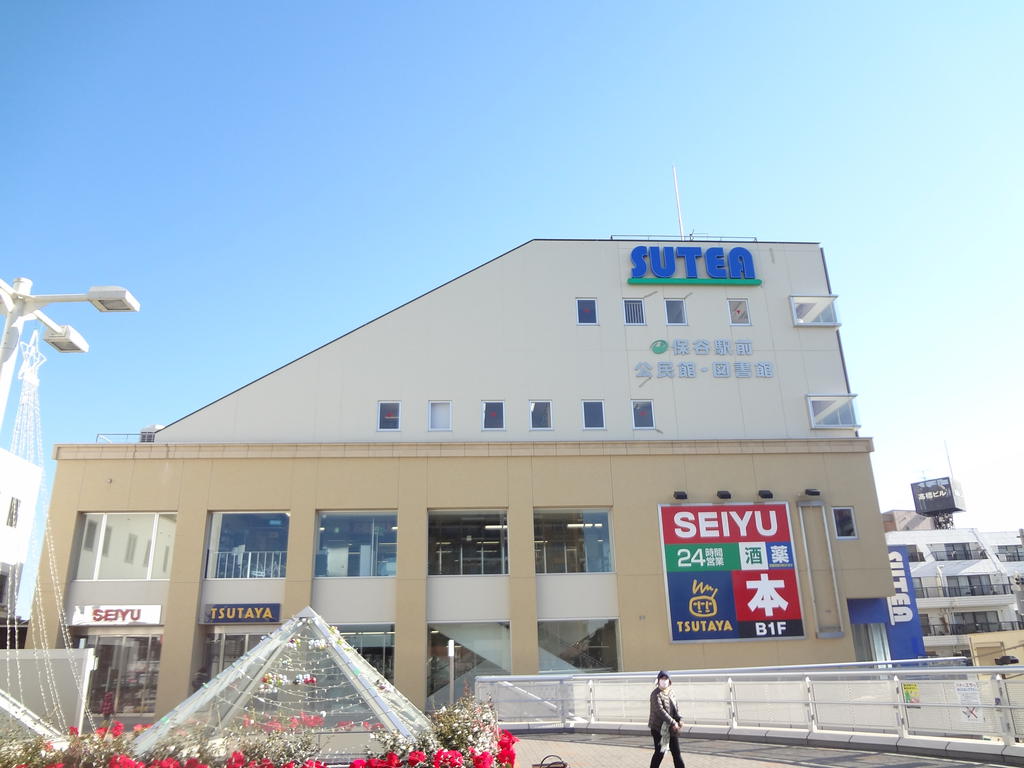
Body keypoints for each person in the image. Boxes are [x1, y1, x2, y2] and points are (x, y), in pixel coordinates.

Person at [648, 670, 685, 768]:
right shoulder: (655, 694)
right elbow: (660, 711)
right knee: (660, 752)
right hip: (658, 728)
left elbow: (675, 707)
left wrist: (679, 719)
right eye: (662, 678)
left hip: (671, 728)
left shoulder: (671, 692)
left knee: (676, 752)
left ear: (669, 680)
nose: (664, 681)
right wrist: (673, 722)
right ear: (658, 680)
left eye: (666, 679)